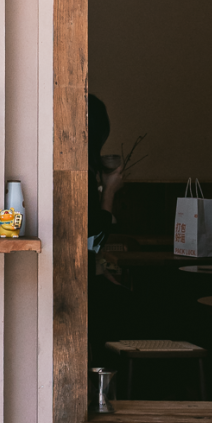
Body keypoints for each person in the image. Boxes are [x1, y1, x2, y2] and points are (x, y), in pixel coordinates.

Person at [87, 94, 127, 364]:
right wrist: (110, 191)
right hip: (82, 280)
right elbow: (93, 236)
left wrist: (100, 268)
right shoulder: (81, 173)